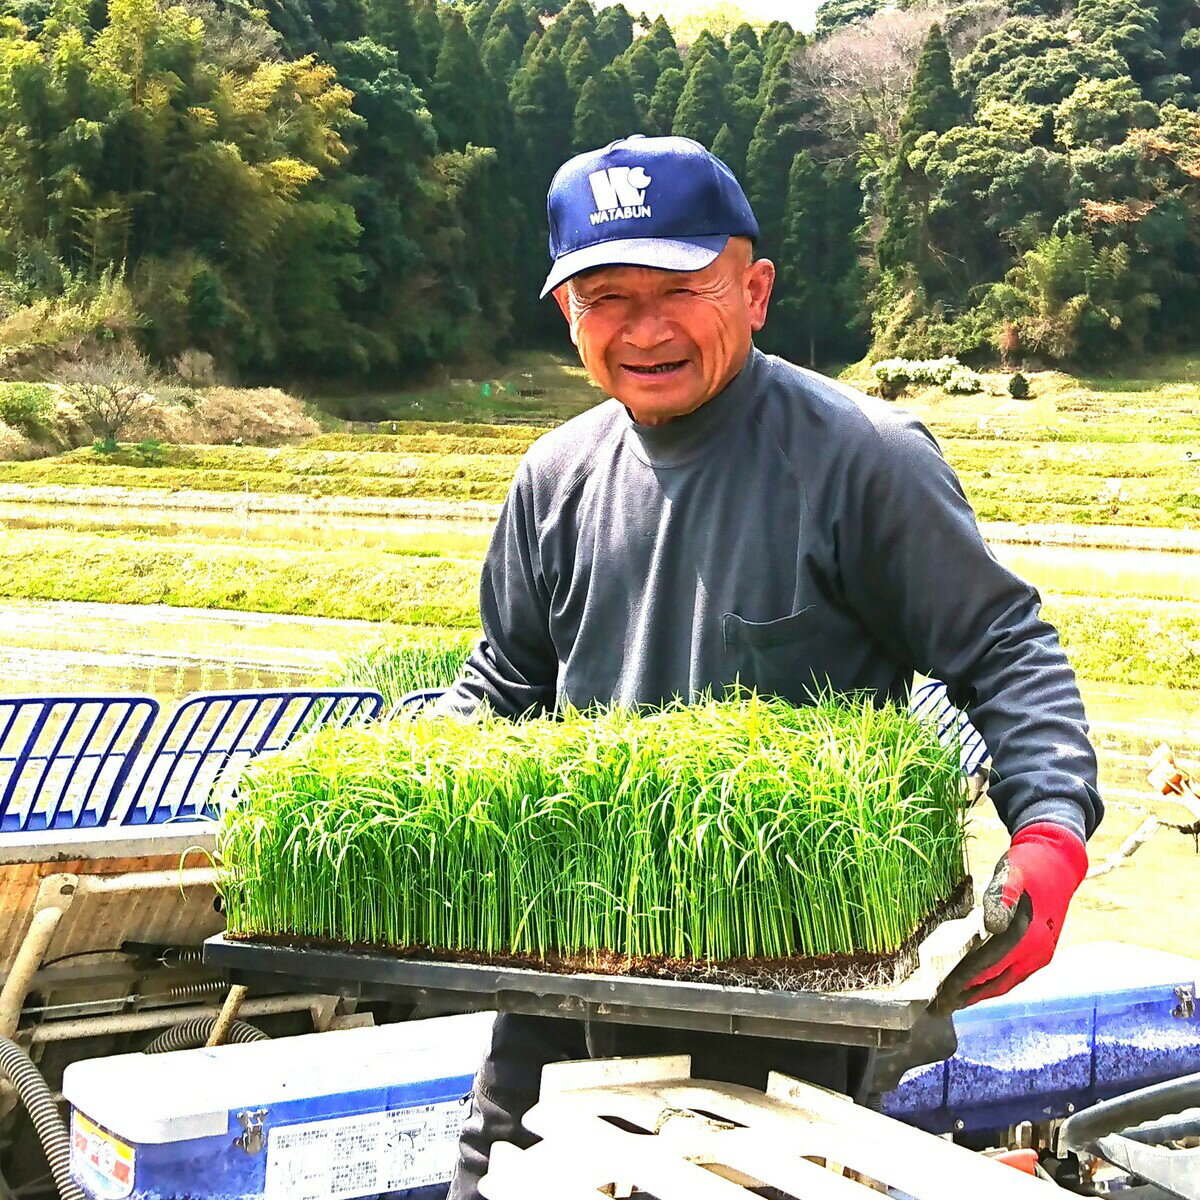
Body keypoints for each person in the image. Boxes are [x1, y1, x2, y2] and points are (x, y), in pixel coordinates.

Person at [437, 135, 1102, 1199]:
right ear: (567, 313)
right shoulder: (553, 476)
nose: (643, 328)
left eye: (681, 289)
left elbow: (1003, 650)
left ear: (753, 290)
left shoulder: (862, 458)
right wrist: (403, 774)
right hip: (560, 973)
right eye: (607, 296)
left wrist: (1053, 835)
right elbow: (504, 685)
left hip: (786, 992)